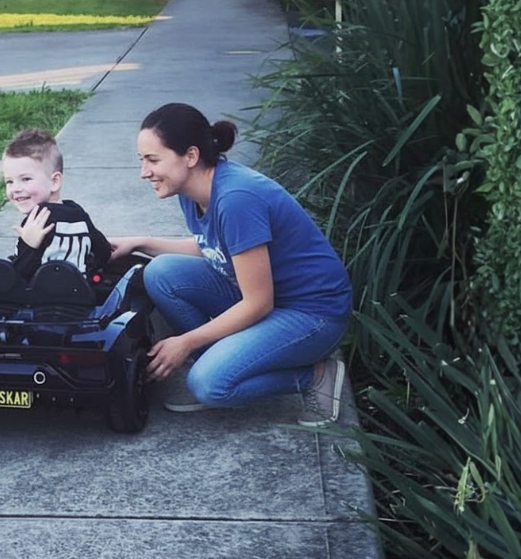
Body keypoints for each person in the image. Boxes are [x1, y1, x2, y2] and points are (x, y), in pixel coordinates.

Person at [108, 103, 353, 426]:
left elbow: (258, 303)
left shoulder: (237, 198)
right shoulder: (191, 188)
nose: (144, 172)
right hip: (264, 295)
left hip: (312, 314)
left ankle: (314, 376)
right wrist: (140, 242)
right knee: (161, 273)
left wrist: (186, 341)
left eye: (153, 160)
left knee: (209, 384)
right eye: (142, 160)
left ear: (191, 156)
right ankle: (223, 361)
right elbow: (216, 248)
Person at [1, 129, 111, 281]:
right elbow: (104, 251)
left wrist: (29, 246)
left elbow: (20, 275)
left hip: (40, 300)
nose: (16, 189)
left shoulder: (37, 220)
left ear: (54, 181)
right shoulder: (78, 213)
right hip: (80, 296)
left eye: (26, 179)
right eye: (9, 182)